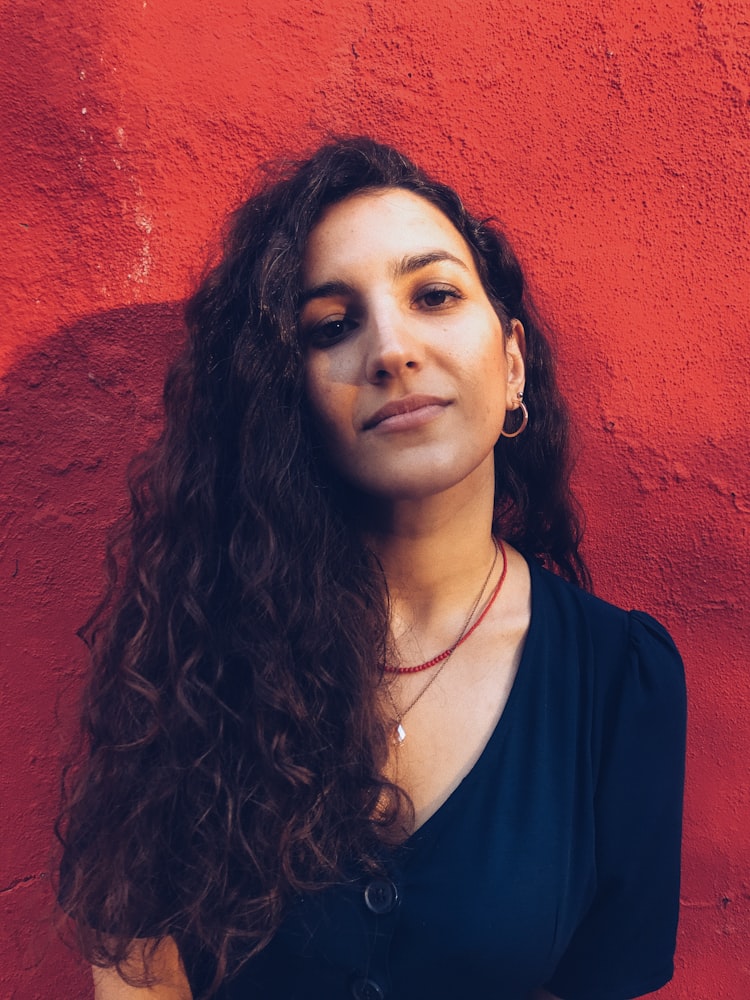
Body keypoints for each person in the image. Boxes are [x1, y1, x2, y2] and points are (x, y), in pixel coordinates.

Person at [58, 137, 686, 1000]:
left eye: (433, 295)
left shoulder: (620, 682)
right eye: (332, 326)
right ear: (291, 398)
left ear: (510, 365)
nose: (390, 349)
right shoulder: (194, 651)